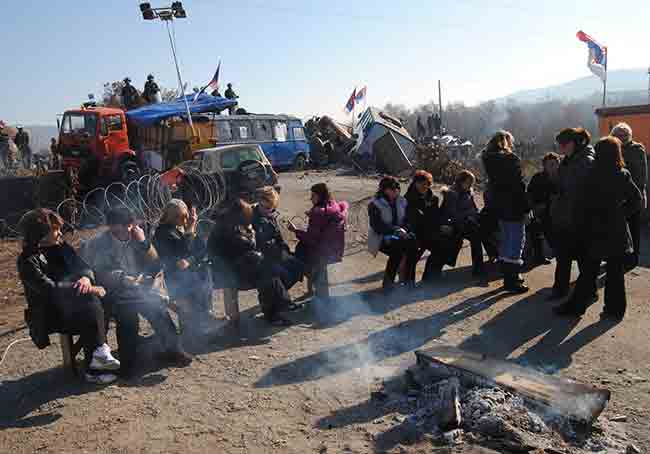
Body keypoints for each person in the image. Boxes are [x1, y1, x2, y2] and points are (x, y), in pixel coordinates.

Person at [80, 208, 192, 377]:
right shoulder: (100, 243)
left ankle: (173, 350)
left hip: (139, 288)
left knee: (157, 309)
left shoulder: (138, 236)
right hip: (112, 290)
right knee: (127, 315)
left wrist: (144, 244)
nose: (116, 234)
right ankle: (128, 363)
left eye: (120, 230)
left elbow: (155, 264)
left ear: (131, 226)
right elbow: (98, 272)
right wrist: (123, 278)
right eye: (113, 230)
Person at [17, 209, 120, 384]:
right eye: (56, 229)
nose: (60, 233)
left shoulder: (62, 247)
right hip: (52, 314)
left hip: (77, 305)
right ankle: (97, 359)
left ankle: (97, 356)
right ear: (40, 234)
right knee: (91, 299)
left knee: (100, 300)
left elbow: (83, 266)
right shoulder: (27, 260)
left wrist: (86, 278)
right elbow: (49, 289)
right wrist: (88, 289)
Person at [554, 137, 642, 319]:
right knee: (615, 273)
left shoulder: (590, 174)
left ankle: (576, 306)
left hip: (593, 228)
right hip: (616, 229)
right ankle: (615, 311)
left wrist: (579, 225)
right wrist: (620, 214)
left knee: (589, 272)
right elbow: (636, 200)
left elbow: (580, 205)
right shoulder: (622, 174)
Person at [208, 199, 293, 326]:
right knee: (267, 275)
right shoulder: (227, 227)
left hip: (232, 265)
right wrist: (251, 233)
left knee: (269, 272)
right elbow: (248, 245)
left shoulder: (228, 222)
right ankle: (276, 311)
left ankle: (278, 309)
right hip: (229, 272)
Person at [549, 128, 596, 300]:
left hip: (579, 217)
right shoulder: (569, 159)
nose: (560, 148)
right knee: (563, 256)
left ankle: (589, 292)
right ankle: (560, 290)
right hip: (565, 216)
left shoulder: (586, 160)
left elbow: (580, 191)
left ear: (574, 143)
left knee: (584, 258)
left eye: (563, 144)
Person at [481, 130, 530, 293]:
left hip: (500, 207)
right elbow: (519, 186)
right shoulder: (511, 159)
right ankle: (513, 280)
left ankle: (507, 277)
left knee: (506, 240)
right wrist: (526, 207)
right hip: (514, 206)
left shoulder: (489, 161)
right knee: (516, 243)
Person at [153, 199, 211, 332]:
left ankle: (203, 320)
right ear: (172, 217)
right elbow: (182, 251)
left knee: (205, 272)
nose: (186, 219)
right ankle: (190, 329)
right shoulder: (163, 232)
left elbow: (201, 249)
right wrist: (190, 229)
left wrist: (190, 260)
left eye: (186, 216)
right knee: (190, 286)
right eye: (182, 217)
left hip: (188, 271)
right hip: (171, 276)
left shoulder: (181, 228)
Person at [289, 183, 349, 299]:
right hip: (332, 250)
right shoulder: (333, 205)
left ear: (320, 196)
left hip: (320, 251)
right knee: (320, 272)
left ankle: (321, 303)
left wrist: (295, 230)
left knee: (306, 267)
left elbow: (311, 239)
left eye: (313, 195)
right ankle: (316, 294)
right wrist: (312, 214)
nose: (311, 198)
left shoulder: (318, 213)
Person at [367, 176, 418, 293]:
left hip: (400, 234)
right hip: (381, 237)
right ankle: (388, 284)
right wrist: (396, 230)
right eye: (393, 188)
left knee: (413, 244)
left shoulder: (402, 201)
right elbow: (377, 226)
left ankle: (409, 281)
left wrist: (404, 230)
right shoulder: (375, 204)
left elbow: (408, 220)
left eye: (397, 188)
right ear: (385, 190)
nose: (396, 191)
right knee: (397, 250)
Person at [252, 188, 304, 294]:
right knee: (284, 275)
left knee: (299, 267)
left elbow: (278, 236)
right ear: (259, 202)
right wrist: (280, 252)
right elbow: (261, 244)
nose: (268, 211)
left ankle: (278, 297)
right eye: (265, 207)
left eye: (270, 208)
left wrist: (285, 250)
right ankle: (277, 299)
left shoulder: (270, 215)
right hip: (264, 258)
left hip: (277, 253)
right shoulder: (254, 218)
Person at [611, 123, 647, 270]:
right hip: (616, 198)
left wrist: (641, 193)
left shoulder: (637, 149)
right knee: (617, 230)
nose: (622, 137)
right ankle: (620, 257)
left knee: (634, 229)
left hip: (633, 195)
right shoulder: (612, 149)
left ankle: (633, 259)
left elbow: (642, 174)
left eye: (624, 134)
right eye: (619, 134)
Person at [440, 170, 485, 277]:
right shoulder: (452, 194)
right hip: (454, 224)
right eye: (469, 182)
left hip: (467, 223)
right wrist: (468, 216)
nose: (470, 185)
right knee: (473, 236)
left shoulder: (469, 192)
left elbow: (474, 208)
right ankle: (478, 268)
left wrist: (477, 215)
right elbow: (452, 213)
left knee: (478, 235)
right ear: (461, 181)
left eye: (472, 183)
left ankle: (479, 267)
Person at [403, 170, 444, 283]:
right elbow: (412, 218)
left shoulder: (433, 198)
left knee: (441, 247)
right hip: (414, 232)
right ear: (415, 183)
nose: (424, 186)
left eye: (426, 183)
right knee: (412, 254)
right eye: (421, 183)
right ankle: (408, 283)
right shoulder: (408, 198)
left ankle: (429, 278)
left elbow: (436, 216)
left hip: (430, 232)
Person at [526, 153, 561, 266]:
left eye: (555, 164)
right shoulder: (538, 178)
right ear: (544, 166)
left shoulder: (563, 176)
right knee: (536, 232)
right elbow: (529, 194)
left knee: (555, 238)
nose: (553, 166)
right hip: (540, 211)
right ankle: (538, 257)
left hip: (558, 212)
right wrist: (533, 209)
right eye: (550, 164)